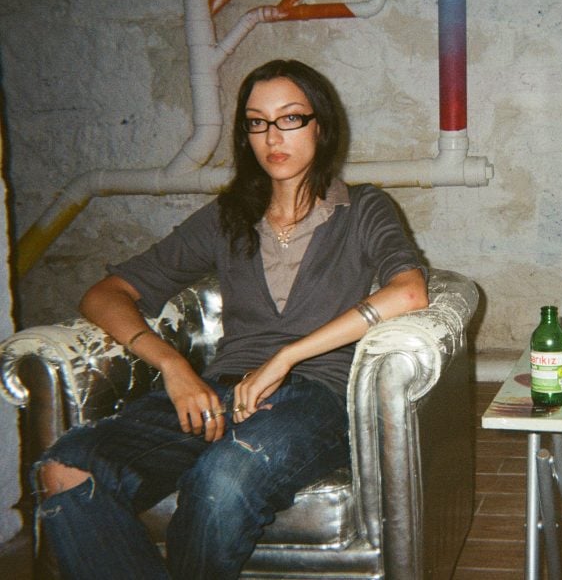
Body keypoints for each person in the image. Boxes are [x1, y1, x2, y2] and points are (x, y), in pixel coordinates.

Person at [34, 59, 429, 579]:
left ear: (321, 126)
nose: (272, 136)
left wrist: (287, 357)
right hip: (219, 392)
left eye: (290, 118)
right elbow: (106, 293)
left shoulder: (363, 209)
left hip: (318, 397)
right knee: (68, 466)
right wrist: (174, 367)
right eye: (256, 122)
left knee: (222, 480)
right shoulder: (226, 219)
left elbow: (410, 291)